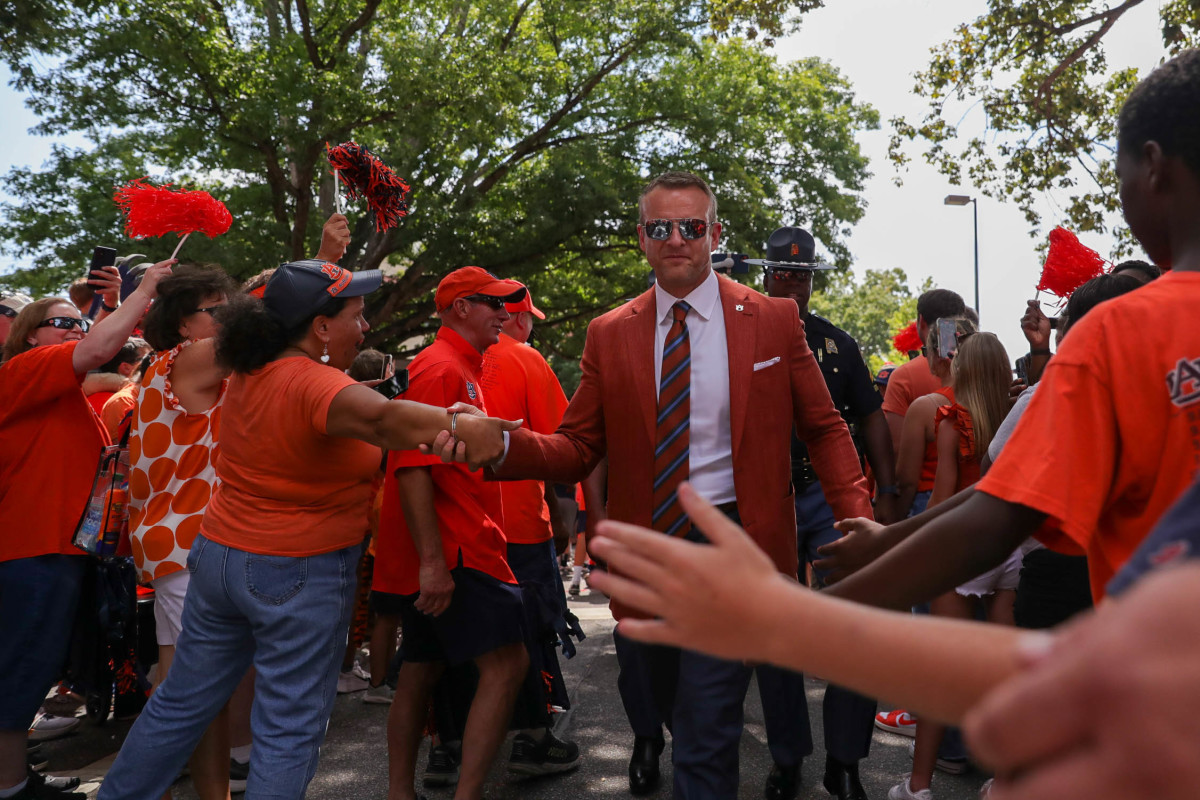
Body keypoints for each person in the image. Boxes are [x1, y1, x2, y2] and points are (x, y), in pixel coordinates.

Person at [489, 171, 873, 800]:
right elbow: (577, 446)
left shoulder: (772, 319)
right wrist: (501, 444)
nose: (677, 239)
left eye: (691, 227)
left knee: (706, 729)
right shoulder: (610, 333)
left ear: (713, 234)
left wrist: (854, 510)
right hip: (651, 552)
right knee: (664, 699)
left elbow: (828, 428)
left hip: (737, 545)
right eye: (661, 227)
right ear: (642, 238)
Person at [95, 259, 516, 800]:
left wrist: (442, 419)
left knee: (181, 704)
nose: (364, 328)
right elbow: (384, 421)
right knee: (287, 729)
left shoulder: (254, 366)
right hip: (293, 569)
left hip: (220, 558)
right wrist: (466, 428)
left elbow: (378, 412)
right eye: (356, 316)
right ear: (320, 326)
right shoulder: (311, 382)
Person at [0, 259, 174, 800]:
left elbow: (93, 347)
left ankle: (14, 777)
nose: (76, 329)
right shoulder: (22, 371)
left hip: (59, 548)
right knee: (22, 667)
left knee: (37, 664)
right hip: (32, 547)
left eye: (80, 321)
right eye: (62, 323)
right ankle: (9, 787)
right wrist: (147, 289)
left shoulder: (54, 381)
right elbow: (98, 351)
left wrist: (107, 304)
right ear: (29, 336)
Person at [374, 267, 533, 800]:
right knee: (508, 665)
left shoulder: (454, 363)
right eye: (494, 303)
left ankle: (402, 793)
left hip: (454, 547)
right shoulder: (440, 367)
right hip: (457, 550)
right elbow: (410, 467)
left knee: (421, 670)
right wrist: (434, 564)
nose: (505, 314)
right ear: (461, 308)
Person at [753, 226, 898, 800]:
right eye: (782, 273)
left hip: (827, 497)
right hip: (763, 497)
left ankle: (846, 759)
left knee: (853, 622)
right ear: (764, 276)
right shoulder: (737, 340)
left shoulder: (837, 343)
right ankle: (787, 758)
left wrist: (886, 492)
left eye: (801, 275)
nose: (791, 283)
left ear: (812, 282)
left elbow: (870, 417)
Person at [126, 262, 239, 799]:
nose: (228, 317)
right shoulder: (192, 358)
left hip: (174, 545)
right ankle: (133, 789)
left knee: (182, 686)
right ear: (181, 325)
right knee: (194, 693)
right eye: (214, 310)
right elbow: (279, 325)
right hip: (187, 545)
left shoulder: (158, 365)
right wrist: (324, 257)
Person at [894, 332, 1015, 800]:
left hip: (963, 553)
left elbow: (943, 499)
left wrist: (906, 539)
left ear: (961, 370)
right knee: (1005, 670)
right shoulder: (1021, 416)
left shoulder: (950, 419)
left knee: (939, 672)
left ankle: (918, 787)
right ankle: (1004, 778)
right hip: (1012, 553)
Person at [477, 284, 582, 776]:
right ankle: (533, 739)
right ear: (517, 319)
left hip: (460, 526)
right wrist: (567, 513)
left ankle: (447, 745)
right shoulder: (526, 358)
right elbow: (561, 445)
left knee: (460, 634)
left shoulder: (443, 358)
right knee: (535, 628)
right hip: (519, 524)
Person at [880, 290, 967, 459]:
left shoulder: (903, 377)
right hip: (978, 482)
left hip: (925, 483)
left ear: (920, 321)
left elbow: (896, 450)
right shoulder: (985, 365)